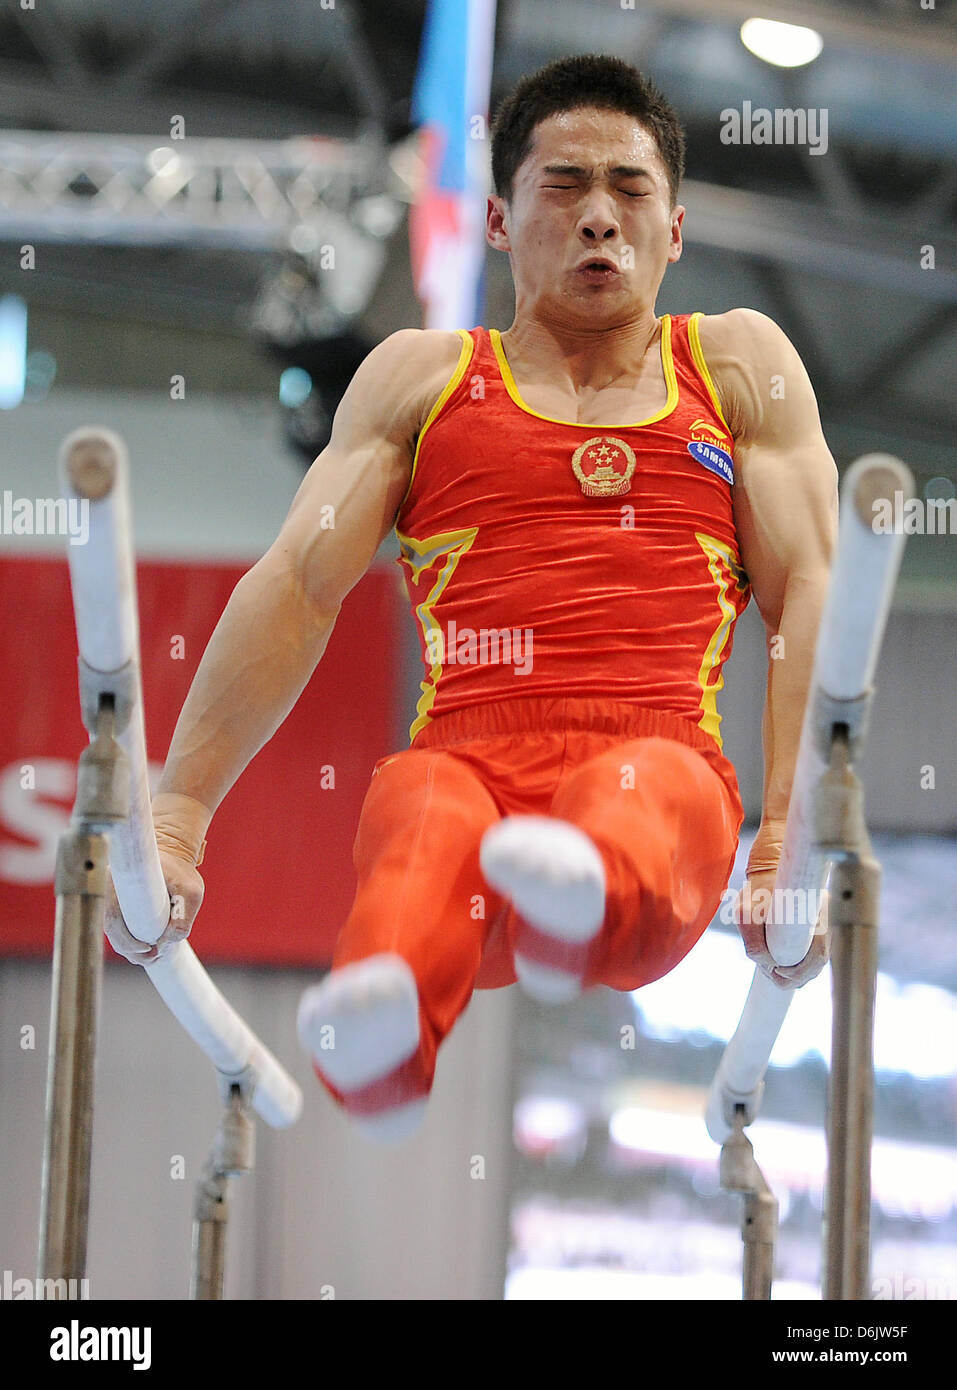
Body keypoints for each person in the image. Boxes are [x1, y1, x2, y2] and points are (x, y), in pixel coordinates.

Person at [106, 54, 838, 1141]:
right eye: (564, 186)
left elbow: (809, 596)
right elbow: (297, 587)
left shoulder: (733, 368)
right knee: (422, 808)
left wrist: (790, 836)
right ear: (497, 220)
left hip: (658, 763)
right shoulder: (422, 378)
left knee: (645, 795)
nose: (599, 216)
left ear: (675, 229)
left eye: (630, 189)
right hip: (472, 761)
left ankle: (583, 896)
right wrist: (176, 818)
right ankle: (382, 1045)